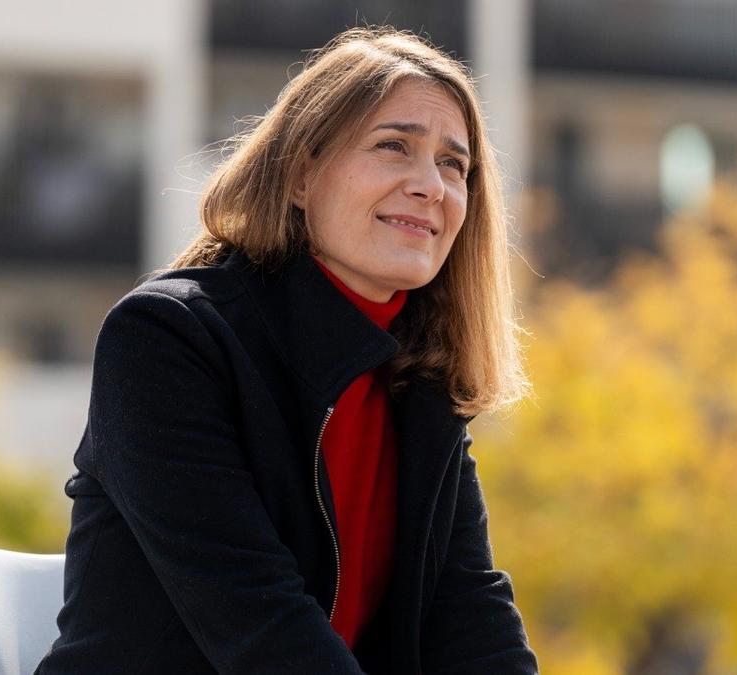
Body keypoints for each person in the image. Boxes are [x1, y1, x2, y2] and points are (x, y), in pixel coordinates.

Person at [35, 27, 538, 675]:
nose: (431, 186)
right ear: (301, 174)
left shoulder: (420, 379)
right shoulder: (168, 338)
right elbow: (261, 627)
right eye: (394, 147)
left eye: (454, 164)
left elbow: (470, 613)